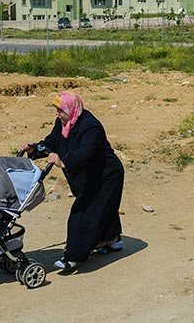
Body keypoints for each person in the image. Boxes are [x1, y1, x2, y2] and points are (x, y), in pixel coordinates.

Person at [21, 91, 124, 274]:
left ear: (71, 108)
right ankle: (112, 239)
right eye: (56, 110)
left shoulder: (91, 126)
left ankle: (73, 257)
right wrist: (34, 149)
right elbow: (51, 142)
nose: (57, 113)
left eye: (60, 110)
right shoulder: (63, 123)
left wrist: (64, 162)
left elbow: (87, 151)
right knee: (102, 207)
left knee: (83, 212)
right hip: (89, 176)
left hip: (105, 175)